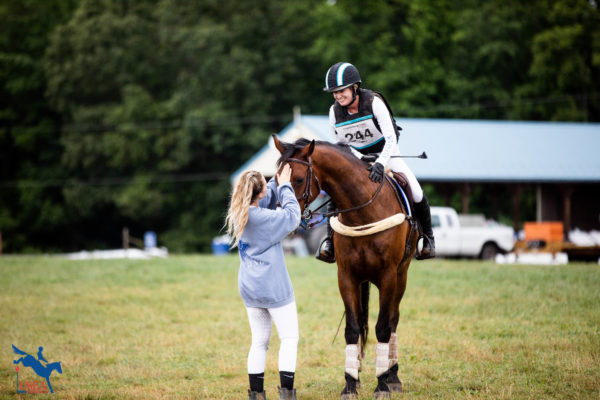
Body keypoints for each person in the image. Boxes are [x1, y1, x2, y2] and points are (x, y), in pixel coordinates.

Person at [316, 61, 435, 263]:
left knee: (415, 190)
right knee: (337, 191)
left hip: (387, 152)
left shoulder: (373, 102)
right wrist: (362, 158)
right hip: (356, 157)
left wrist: (380, 162)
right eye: (334, 92)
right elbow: (341, 145)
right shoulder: (333, 112)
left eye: (341, 91)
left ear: (355, 87)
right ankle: (329, 241)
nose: (337, 96)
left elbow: (391, 138)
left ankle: (428, 239)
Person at [225, 165, 301, 400]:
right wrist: (286, 185)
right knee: (289, 338)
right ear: (259, 192)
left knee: (259, 342)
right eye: (266, 186)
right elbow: (292, 217)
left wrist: (277, 181)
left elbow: (264, 200)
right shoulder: (262, 218)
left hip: (250, 288)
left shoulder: (241, 212)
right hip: (274, 288)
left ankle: (256, 394)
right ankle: (286, 393)